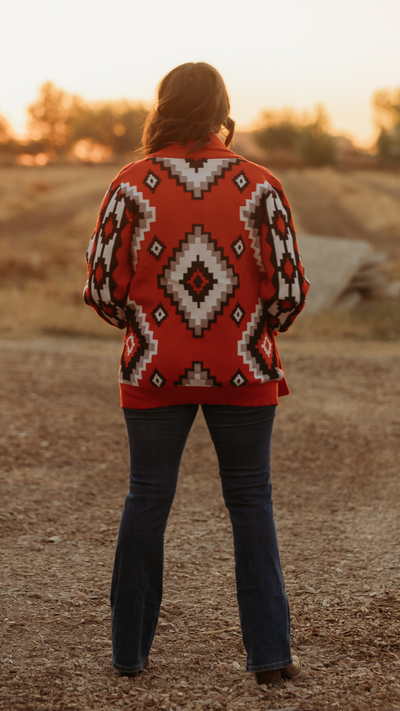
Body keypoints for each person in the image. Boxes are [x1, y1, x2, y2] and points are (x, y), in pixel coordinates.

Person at [84, 62, 309, 685]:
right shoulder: (261, 185)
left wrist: (147, 326)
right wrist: (248, 329)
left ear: (164, 106)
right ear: (222, 109)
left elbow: (101, 287)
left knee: (147, 498)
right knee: (251, 502)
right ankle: (270, 657)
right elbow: (288, 290)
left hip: (154, 368)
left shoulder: (130, 185)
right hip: (245, 368)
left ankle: (128, 655)